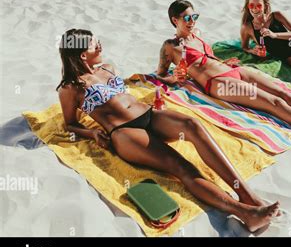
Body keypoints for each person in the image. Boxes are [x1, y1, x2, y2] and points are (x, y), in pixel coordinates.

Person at [56, 28, 279, 232]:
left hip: (149, 115)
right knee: (181, 166)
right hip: (125, 133)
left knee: (193, 126)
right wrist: (93, 133)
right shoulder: (71, 88)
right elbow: (70, 124)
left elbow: (125, 94)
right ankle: (244, 213)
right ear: (83, 54)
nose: (101, 47)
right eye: (96, 45)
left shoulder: (108, 68)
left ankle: (249, 197)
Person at [157, 0, 291, 144]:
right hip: (218, 84)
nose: (192, 22)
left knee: (286, 94)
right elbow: (160, 75)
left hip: (234, 70)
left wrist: (225, 61)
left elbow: (209, 58)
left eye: (194, 16)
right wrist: (173, 78)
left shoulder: (199, 35)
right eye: (187, 18)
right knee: (274, 103)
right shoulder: (171, 46)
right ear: (175, 20)